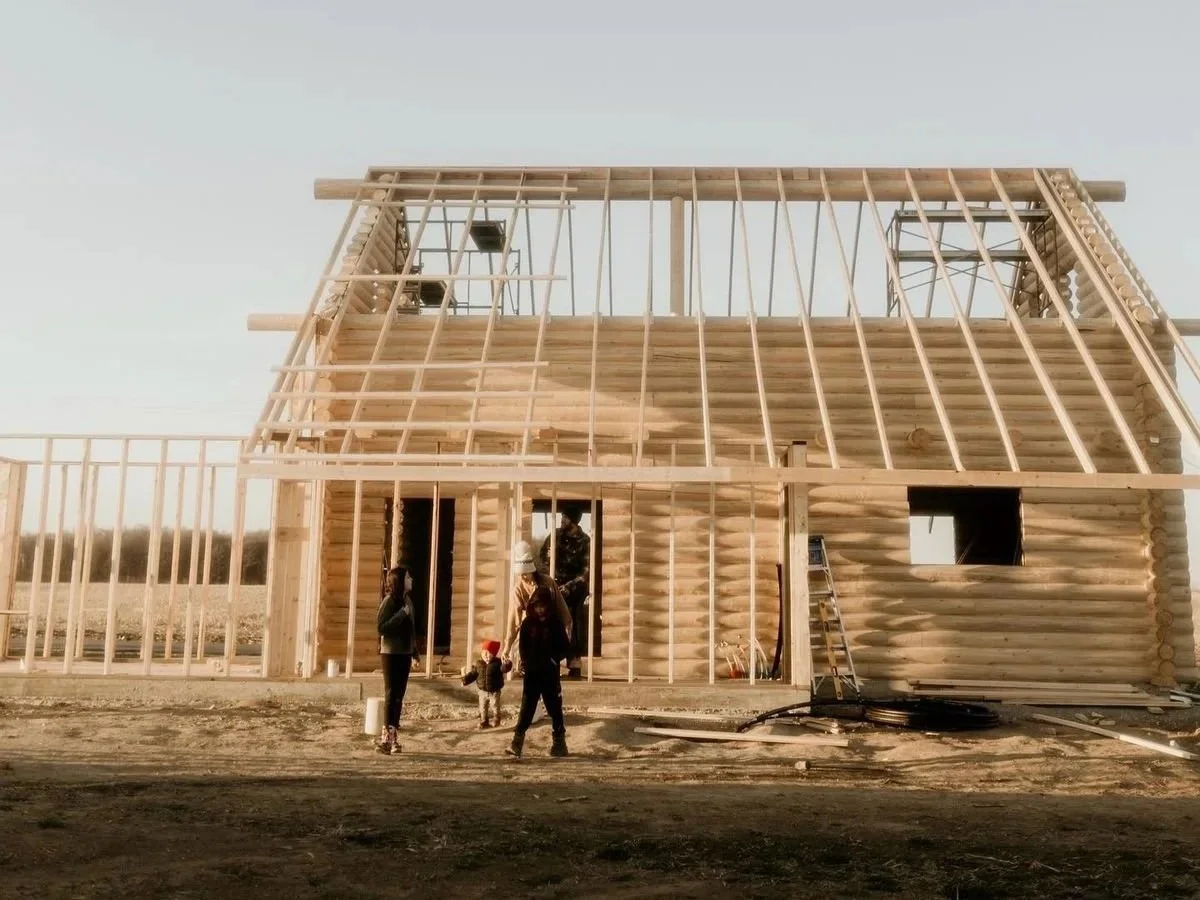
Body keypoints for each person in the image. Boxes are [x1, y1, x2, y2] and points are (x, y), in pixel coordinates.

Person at [506, 582, 571, 759]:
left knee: (554, 709)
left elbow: (565, 647)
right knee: (526, 708)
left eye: (543, 606)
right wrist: (525, 663)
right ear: (533, 607)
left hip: (550, 675)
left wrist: (553, 660)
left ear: (549, 607)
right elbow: (523, 646)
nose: (541, 610)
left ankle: (559, 743)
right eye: (538, 606)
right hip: (532, 674)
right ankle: (516, 743)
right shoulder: (528, 624)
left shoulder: (555, 625)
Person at [500, 540, 572, 675]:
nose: (523, 576)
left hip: (550, 632)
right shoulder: (518, 589)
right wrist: (507, 647)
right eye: (521, 574)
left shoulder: (548, 582)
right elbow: (514, 620)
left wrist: (565, 637)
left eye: (525, 573)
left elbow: (562, 611)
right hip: (531, 634)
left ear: (532, 570)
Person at [538, 507, 591, 678]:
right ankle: (550, 660)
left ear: (574, 520)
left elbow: (585, 572)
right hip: (555, 583)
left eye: (565, 516)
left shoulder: (585, 541)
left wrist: (569, 587)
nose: (562, 519)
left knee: (574, 619)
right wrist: (551, 578)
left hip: (575, 587)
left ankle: (574, 662)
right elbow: (542, 555)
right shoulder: (556, 535)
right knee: (548, 618)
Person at [376, 565, 416, 755]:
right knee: (391, 694)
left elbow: (411, 630)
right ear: (399, 581)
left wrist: (414, 652)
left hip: (405, 653)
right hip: (391, 653)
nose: (411, 580)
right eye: (408, 577)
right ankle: (385, 738)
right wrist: (401, 614)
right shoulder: (389, 601)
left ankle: (394, 737)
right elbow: (382, 627)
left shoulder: (408, 601)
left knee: (399, 696)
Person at [461, 639, 505, 728]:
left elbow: (505, 669)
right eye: (484, 653)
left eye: (488, 653)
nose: (486, 655)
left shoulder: (498, 663)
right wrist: (465, 680)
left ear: (493, 654)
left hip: (494, 691)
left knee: (495, 706)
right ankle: (484, 721)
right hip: (482, 691)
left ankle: (496, 720)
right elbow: (473, 674)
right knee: (483, 707)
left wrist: (507, 663)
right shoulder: (479, 664)